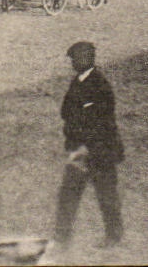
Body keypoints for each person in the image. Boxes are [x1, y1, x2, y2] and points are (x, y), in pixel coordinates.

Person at [52, 41, 124, 252]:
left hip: (100, 151)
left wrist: (85, 146)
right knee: (69, 194)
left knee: (106, 195)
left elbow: (99, 121)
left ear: (86, 59)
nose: (72, 63)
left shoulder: (99, 85)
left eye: (75, 59)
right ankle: (61, 237)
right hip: (81, 149)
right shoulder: (79, 81)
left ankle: (114, 236)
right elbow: (67, 112)